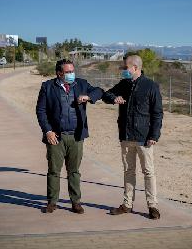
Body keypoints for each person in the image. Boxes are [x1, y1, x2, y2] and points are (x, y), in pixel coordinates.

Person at [36, 59, 103, 214]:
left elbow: (99, 91)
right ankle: (52, 202)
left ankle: (76, 202)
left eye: (73, 71)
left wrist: (88, 97)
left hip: (76, 136)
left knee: (74, 171)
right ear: (59, 73)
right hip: (56, 137)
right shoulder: (47, 87)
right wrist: (48, 131)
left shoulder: (81, 84)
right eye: (68, 72)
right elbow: (41, 111)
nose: (72, 74)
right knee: (54, 171)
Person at [102, 55, 163, 219]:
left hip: (145, 139)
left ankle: (152, 206)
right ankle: (127, 204)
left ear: (135, 68)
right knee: (129, 171)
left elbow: (157, 114)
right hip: (126, 136)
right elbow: (106, 95)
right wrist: (114, 98)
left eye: (125, 68)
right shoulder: (124, 84)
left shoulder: (151, 86)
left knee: (148, 172)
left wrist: (154, 135)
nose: (123, 70)